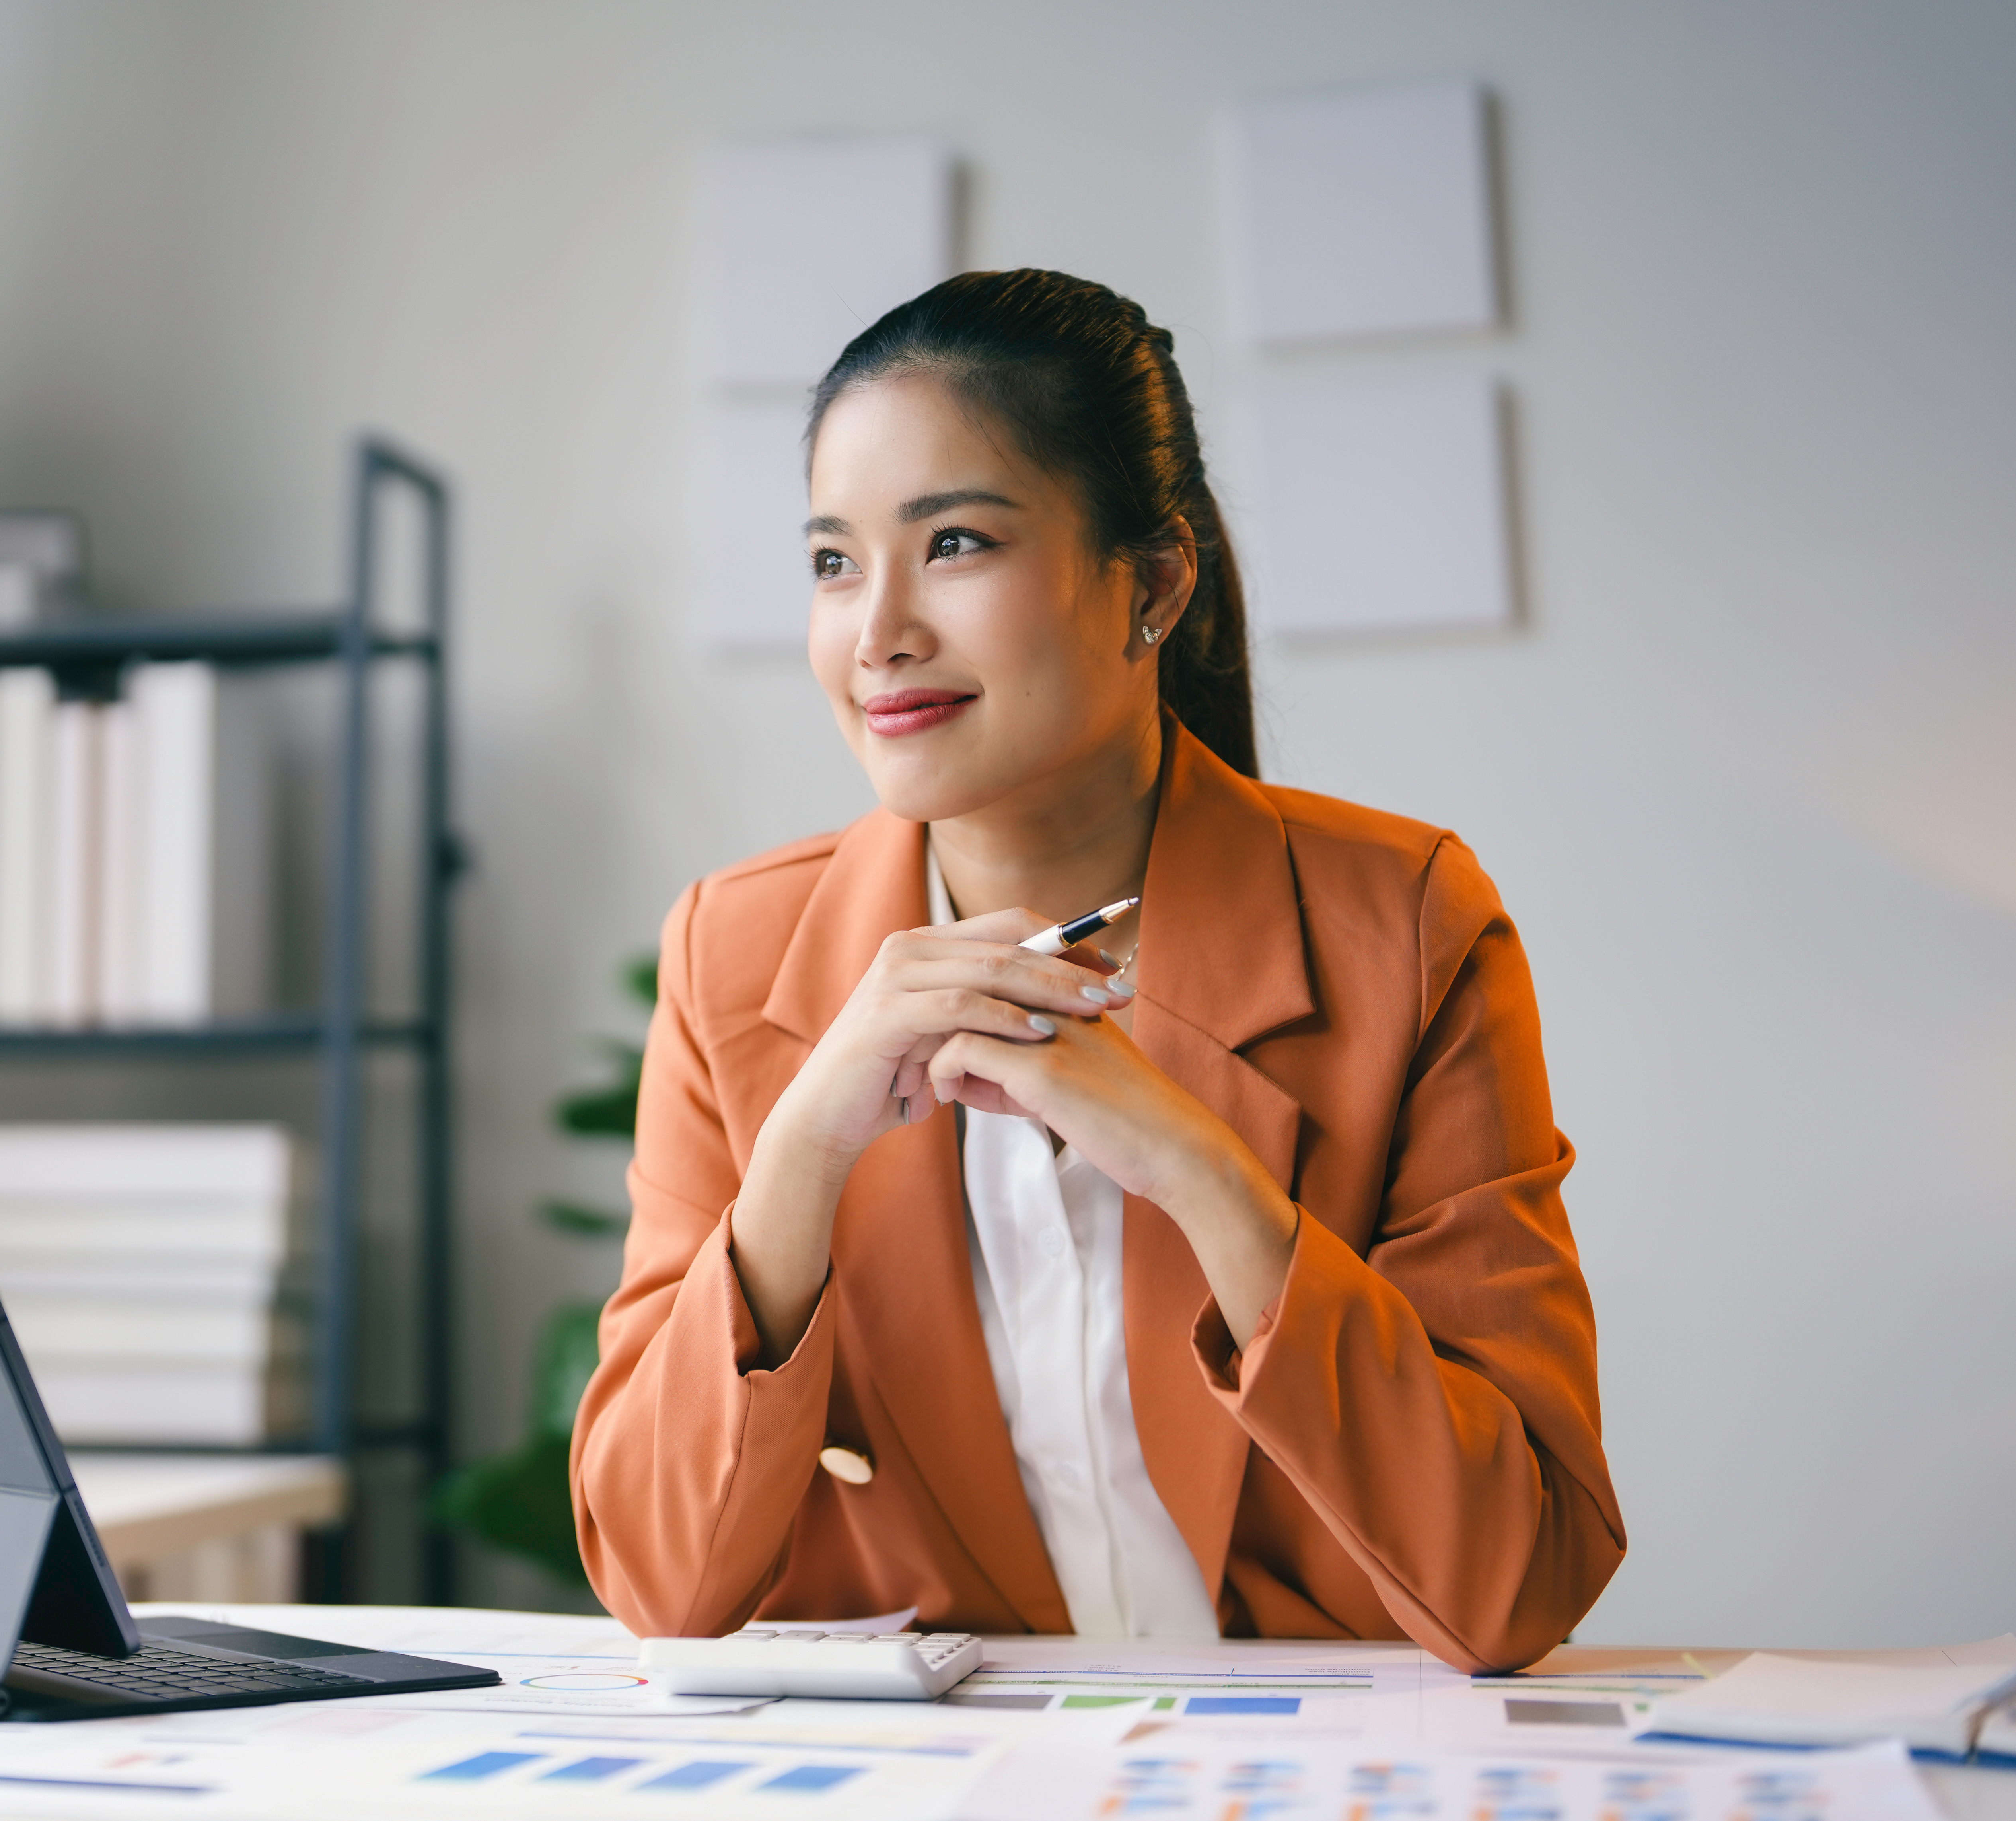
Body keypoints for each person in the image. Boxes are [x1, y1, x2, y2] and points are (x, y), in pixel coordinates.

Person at [569, 270, 1621, 1674]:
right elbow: (659, 1582)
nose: (875, 629)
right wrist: (801, 1157)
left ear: (1155, 583)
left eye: (953, 542)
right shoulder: (732, 954)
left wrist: (1197, 1166)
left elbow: (1515, 1577)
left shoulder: (1406, 923)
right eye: (832, 561)